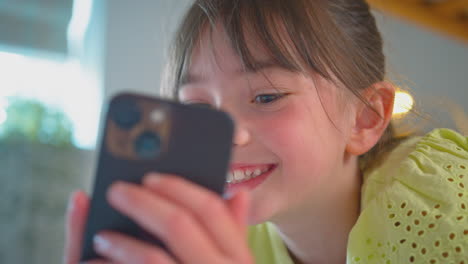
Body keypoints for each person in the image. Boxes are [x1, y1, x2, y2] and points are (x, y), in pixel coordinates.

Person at [64, 0, 468, 263]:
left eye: (267, 97)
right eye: (199, 107)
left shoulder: (439, 209)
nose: (228, 136)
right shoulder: (239, 238)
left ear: (365, 118)